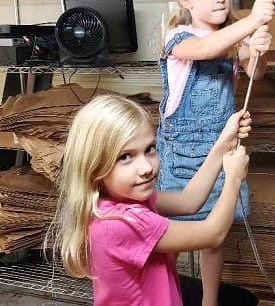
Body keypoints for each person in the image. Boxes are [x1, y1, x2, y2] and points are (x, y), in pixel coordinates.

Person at [46, 94, 253, 306]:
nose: (146, 168)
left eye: (149, 149)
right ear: (94, 167)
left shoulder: (121, 202)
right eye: (125, 157)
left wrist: (223, 143)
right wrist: (234, 178)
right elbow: (213, 234)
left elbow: (188, 201)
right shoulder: (122, 223)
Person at [157, 0, 275, 306]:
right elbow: (206, 49)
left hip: (221, 152)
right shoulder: (177, 37)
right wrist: (252, 20)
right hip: (181, 158)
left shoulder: (234, 39)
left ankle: (209, 302)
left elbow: (257, 73)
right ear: (187, 0)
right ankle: (164, 297)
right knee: (170, 238)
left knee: (214, 238)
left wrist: (257, 49)